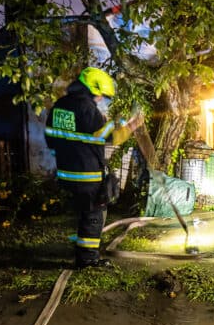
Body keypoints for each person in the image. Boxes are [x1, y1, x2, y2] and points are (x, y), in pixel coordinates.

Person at [45, 67, 143, 268]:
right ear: (92, 90)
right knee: (94, 216)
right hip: (86, 174)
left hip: (66, 172)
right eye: (101, 96)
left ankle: (83, 252)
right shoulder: (87, 109)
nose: (101, 100)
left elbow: (50, 137)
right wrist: (130, 126)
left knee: (83, 213)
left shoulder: (59, 106)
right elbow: (110, 137)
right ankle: (88, 259)